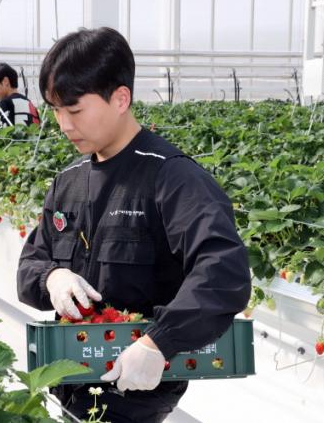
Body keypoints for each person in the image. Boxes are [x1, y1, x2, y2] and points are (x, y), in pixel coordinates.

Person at [16, 27, 251, 422]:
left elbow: (223, 272)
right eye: (55, 110)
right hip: (69, 380)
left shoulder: (171, 178)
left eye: (74, 110)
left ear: (120, 98)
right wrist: (52, 277)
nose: (63, 124)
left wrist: (158, 344)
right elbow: (30, 265)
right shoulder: (68, 181)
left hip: (135, 391)